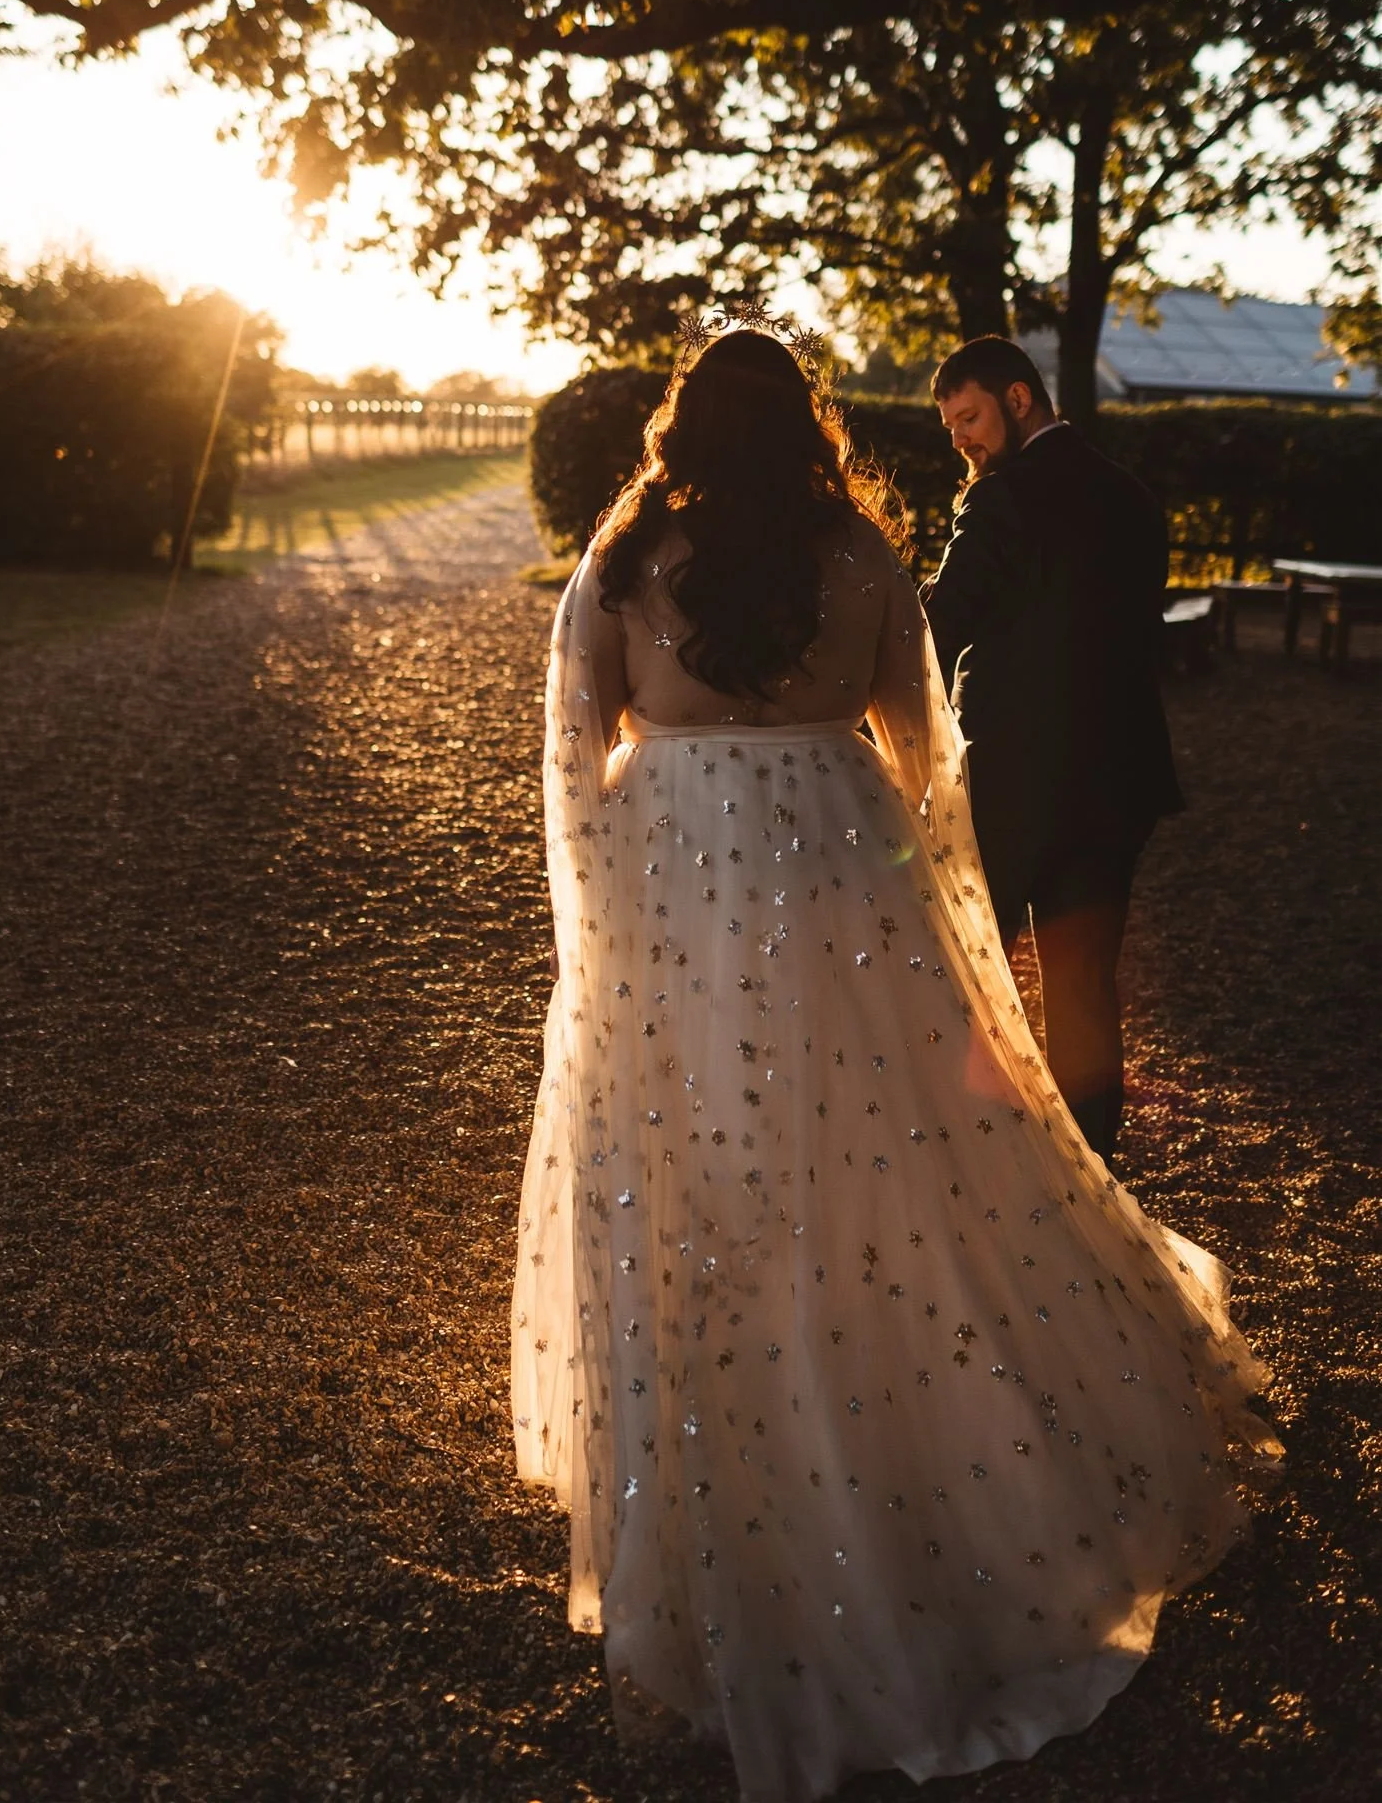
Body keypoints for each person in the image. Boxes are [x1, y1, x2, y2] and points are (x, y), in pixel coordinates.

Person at [511, 325, 1277, 1803]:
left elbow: (569, 749)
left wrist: (620, 881)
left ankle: (704, 1482)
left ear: (683, 423)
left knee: (697, 1159)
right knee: (882, 1164)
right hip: (835, 871)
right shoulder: (857, 554)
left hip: (677, 885)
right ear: (805, 423)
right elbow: (922, 754)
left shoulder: (626, 555)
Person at [921, 337, 1184, 1163]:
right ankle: (1091, 1167)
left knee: (972, 968)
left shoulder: (1002, 499)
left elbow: (943, 621)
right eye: (951, 426)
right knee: (1082, 981)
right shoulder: (1131, 496)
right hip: (1118, 777)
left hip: (1016, 779)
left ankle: (980, 1155)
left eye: (968, 417)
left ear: (1018, 398)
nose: (960, 438)